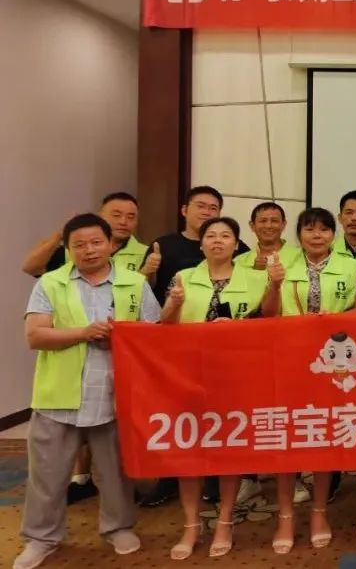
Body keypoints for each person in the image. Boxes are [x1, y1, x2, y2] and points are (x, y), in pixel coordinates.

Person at [14, 214, 159, 569]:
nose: (89, 250)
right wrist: (84, 332)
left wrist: (127, 336)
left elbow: (154, 334)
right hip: (58, 395)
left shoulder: (134, 283)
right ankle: (41, 538)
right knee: (47, 475)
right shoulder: (51, 282)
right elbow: (35, 335)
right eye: (79, 244)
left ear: (111, 245)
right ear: (67, 248)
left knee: (115, 472)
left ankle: (118, 527)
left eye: (96, 242)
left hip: (115, 393)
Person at [159, 216, 270, 560]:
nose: (218, 241)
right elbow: (164, 326)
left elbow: (270, 324)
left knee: (228, 451)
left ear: (237, 244)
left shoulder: (257, 278)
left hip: (236, 376)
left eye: (225, 236)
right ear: (201, 243)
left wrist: (237, 328)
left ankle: (224, 521)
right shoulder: (183, 278)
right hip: (189, 375)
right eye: (211, 235)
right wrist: (174, 304)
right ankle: (191, 525)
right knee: (189, 452)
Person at [137, 185, 250, 508]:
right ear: (185, 210)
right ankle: (170, 480)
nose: (208, 213)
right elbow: (151, 302)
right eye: (201, 206)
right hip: (182, 354)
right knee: (182, 419)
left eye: (214, 208)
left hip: (230, 361)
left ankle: (216, 480)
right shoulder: (164, 247)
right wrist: (152, 277)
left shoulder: (244, 260)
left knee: (223, 420)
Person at [260, 207, 356, 554]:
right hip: (289, 362)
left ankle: (319, 513)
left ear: (333, 234)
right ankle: (285, 516)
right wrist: (274, 283)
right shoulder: (281, 264)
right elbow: (268, 313)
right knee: (287, 439)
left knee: (323, 437)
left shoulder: (351, 266)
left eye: (324, 230)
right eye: (310, 229)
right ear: (299, 234)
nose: (317, 236)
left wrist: (335, 321)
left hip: (333, 365)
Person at [21, 192, 148, 277]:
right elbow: (30, 268)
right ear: (100, 216)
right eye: (116, 215)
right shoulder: (74, 249)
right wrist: (62, 233)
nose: (123, 222)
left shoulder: (146, 253)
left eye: (131, 217)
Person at [235, 202, 302, 272]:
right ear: (252, 226)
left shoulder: (301, 256)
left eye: (274, 221)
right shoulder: (239, 262)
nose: (268, 226)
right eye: (263, 221)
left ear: (283, 225)